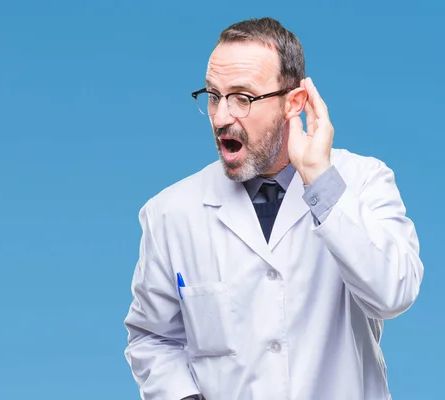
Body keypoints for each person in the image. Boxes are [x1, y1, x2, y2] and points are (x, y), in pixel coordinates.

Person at [123, 17, 423, 400]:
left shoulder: (363, 180)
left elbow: (392, 294)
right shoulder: (170, 213)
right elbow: (153, 339)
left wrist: (319, 178)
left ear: (293, 102)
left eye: (243, 98)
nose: (220, 117)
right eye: (214, 96)